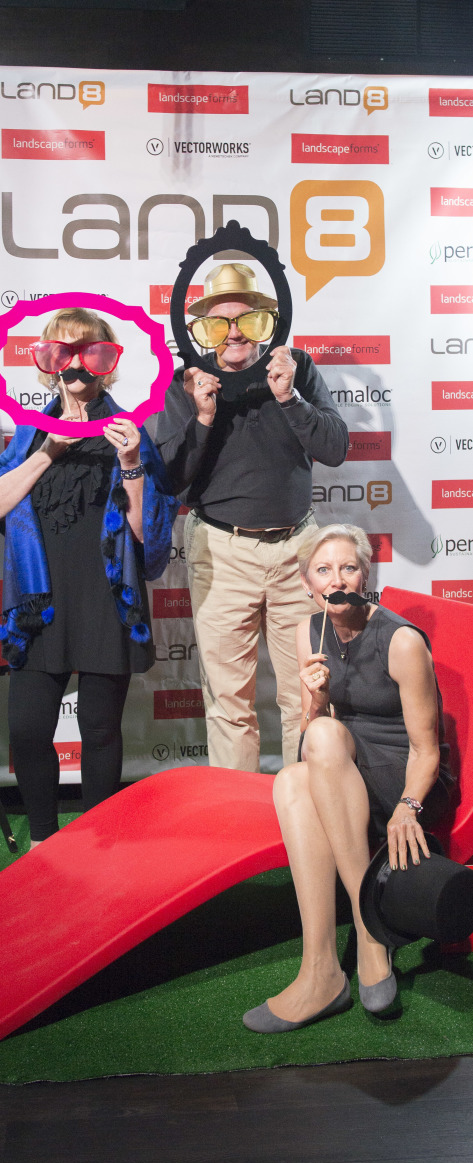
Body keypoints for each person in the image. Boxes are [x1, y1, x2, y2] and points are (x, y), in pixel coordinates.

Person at [243, 524, 453, 1031]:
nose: (336, 580)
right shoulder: (308, 631)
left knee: (319, 744)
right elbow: (311, 735)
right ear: (307, 584)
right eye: (323, 570)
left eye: (348, 568)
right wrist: (316, 700)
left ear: (365, 576)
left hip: (408, 779)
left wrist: (408, 807)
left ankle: (369, 932)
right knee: (291, 779)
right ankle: (321, 969)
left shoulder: (401, 641)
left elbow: (427, 751)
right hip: (344, 770)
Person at [0, 307, 177, 846]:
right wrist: (49, 450)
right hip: (40, 602)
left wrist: (131, 462)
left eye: (90, 351)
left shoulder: (130, 433)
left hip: (104, 600)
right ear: (48, 362)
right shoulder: (30, 433)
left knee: (99, 729)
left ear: (106, 361)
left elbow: (148, 539)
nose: (74, 365)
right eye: (60, 352)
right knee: (27, 728)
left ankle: (99, 845)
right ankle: (43, 840)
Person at [154, 262, 348, 772]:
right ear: (202, 329)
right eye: (220, 323)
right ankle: (238, 814)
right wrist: (202, 416)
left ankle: (309, 804)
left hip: (298, 553)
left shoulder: (296, 367)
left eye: (247, 319)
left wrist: (289, 398)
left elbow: (335, 448)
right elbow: (170, 480)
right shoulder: (185, 380)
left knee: (306, 694)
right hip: (220, 551)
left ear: (267, 321)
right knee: (228, 704)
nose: (234, 333)